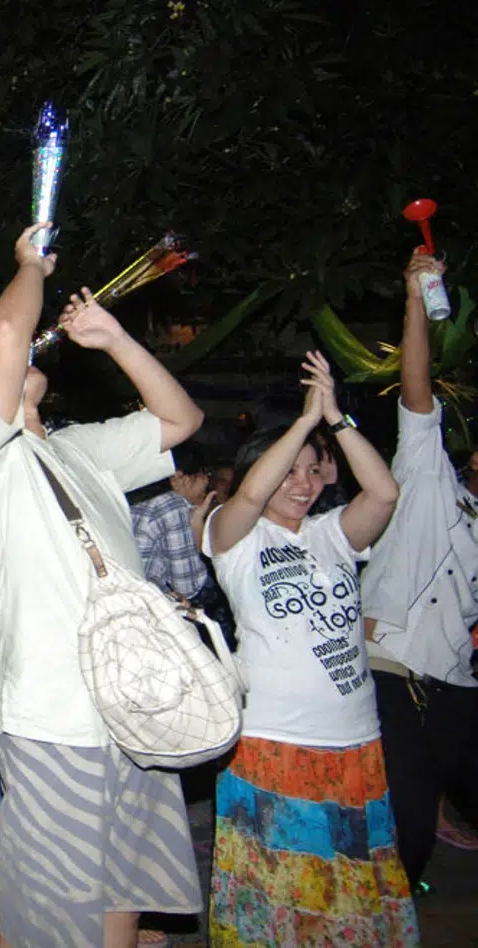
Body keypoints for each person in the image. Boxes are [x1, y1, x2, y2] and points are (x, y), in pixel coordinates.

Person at [0, 223, 206, 946]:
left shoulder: (82, 450)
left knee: (126, 885)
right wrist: (29, 264)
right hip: (50, 718)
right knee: (58, 917)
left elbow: (182, 419)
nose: (20, 353)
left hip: (135, 707)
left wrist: (115, 339)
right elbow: (2, 329)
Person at [204, 352, 414, 945]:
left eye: (313, 470)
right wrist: (301, 423)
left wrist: (337, 420)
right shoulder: (236, 537)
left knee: (344, 898)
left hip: (354, 742)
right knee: (278, 899)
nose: (301, 483)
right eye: (288, 471)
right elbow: (247, 498)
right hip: (275, 742)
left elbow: (385, 492)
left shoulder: (333, 534)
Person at [362, 249, 478, 890]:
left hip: (455, 677)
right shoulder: (429, 476)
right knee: (405, 823)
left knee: (426, 822)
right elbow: (417, 393)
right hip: (394, 666)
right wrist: (415, 302)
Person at [130, 444, 215, 600]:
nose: (207, 480)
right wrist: (196, 524)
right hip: (145, 608)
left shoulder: (136, 499)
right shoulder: (169, 504)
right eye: (204, 473)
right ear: (178, 478)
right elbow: (190, 589)